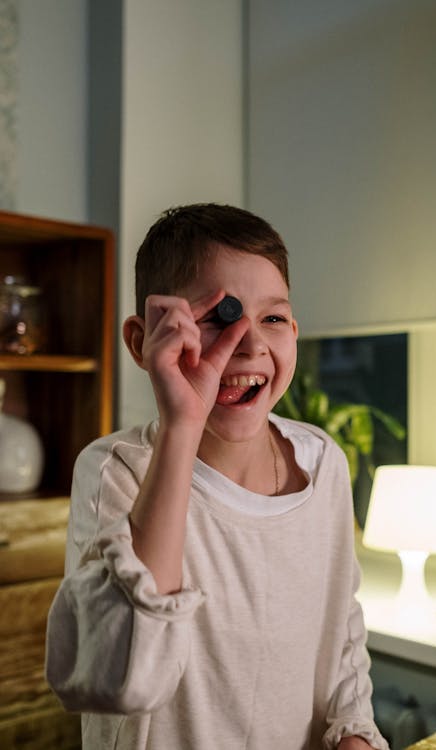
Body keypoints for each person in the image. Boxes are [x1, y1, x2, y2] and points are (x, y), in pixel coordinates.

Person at [46, 203, 389, 750]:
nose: (250, 344)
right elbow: (120, 682)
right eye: (219, 317)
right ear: (143, 342)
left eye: (272, 318)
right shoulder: (116, 471)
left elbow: (340, 626)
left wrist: (355, 734)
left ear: (294, 332)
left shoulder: (323, 462)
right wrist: (183, 423)